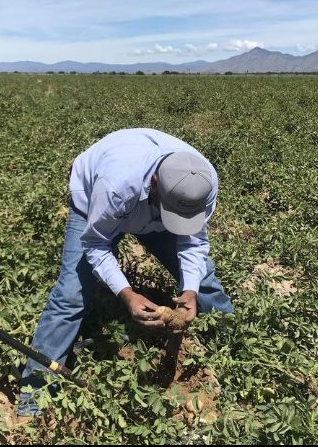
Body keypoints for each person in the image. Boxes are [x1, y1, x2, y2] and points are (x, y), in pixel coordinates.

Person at [18, 128, 234, 416]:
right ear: (154, 183)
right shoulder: (116, 184)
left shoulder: (203, 182)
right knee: (71, 295)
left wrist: (190, 291)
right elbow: (96, 243)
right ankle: (33, 404)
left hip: (149, 206)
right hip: (97, 204)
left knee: (203, 279)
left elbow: (193, 241)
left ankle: (234, 350)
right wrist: (127, 293)